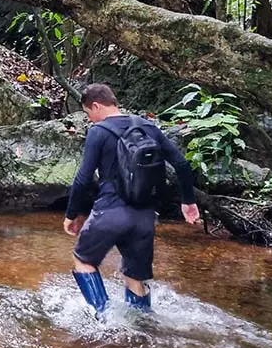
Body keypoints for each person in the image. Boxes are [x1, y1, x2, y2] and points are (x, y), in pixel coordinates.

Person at [64, 83, 201, 315]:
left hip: (110, 212)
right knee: (134, 277)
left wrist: (72, 214)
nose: (90, 120)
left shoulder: (98, 132)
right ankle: (143, 327)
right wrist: (188, 201)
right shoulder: (148, 127)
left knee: (84, 261)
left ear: (96, 106)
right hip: (145, 217)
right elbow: (182, 164)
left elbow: (83, 178)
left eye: (88, 114)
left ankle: (103, 319)